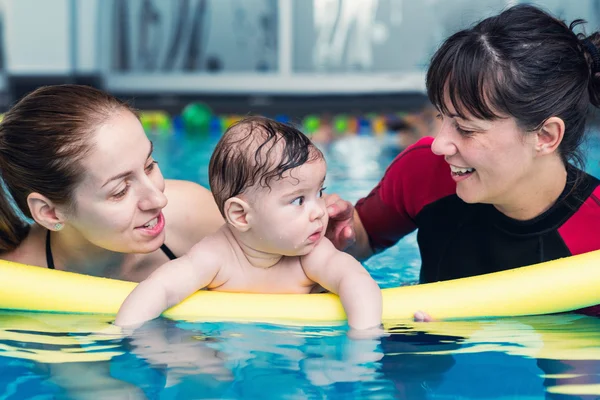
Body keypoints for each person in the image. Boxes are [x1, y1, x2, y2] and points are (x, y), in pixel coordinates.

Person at [324, 4, 600, 319]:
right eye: (441, 116)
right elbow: (360, 240)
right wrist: (335, 237)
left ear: (546, 136)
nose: (440, 145)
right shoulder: (423, 171)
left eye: (466, 129)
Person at [115, 116, 382, 331]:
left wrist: (364, 339)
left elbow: (356, 281)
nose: (319, 212)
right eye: (299, 201)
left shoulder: (311, 255)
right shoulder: (216, 255)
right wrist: (121, 332)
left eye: (319, 193)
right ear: (241, 216)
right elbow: (159, 288)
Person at [0, 84, 225, 281]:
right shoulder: (17, 278)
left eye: (149, 165)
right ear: (50, 212)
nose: (158, 199)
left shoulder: (195, 218)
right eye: (121, 191)